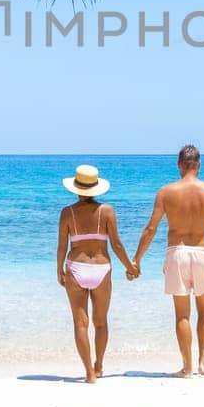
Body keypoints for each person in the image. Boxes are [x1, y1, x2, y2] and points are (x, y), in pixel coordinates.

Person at [129, 145, 204, 377]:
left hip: (177, 252)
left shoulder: (166, 192)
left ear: (179, 165)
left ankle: (187, 367)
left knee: (182, 314)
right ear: (199, 165)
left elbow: (151, 228)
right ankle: (203, 362)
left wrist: (136, 259)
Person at [56, 164, 138, 383]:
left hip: (75, 267)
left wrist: (58, 270)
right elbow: (117, 245)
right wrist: (130, 267)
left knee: (80, 323)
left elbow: (62, 247)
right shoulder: (107, 211)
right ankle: (99, 366)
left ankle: (89, 374)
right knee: (100, 321)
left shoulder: (67, 212)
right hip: (102, 268)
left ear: (76, 188)